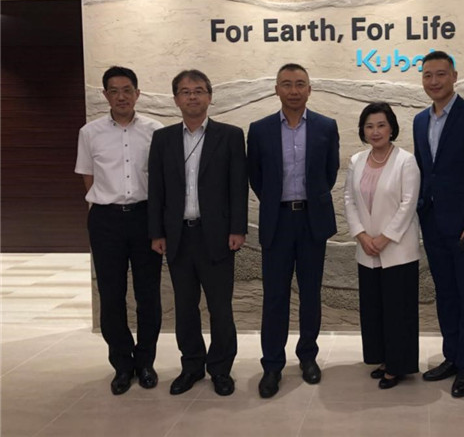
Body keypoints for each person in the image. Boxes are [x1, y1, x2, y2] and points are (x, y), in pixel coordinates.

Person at [147, 69, 247, 397]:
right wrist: (157, 232)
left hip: (216, 235)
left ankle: (220, 369)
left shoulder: (230, 135)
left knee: (221, 308)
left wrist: (238, 228)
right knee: (185, 307)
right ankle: (191, 366)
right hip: (178, 236)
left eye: (199, 90)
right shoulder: (163, 139)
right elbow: (157, 189)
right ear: (176, 99)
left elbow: (238, 186)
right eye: (186, 91)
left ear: (210, 96)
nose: (192, 96)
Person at [247, 63, 340, 399]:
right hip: (278, 221)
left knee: (311, 293)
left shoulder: (326, 127)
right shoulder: (259, 130)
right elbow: (256, 177)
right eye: (286, 84)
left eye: (300, 84)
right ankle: (272, 364)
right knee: (275, 296)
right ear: (276, 90)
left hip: (312, 220)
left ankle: (308, 357)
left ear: (309, 89)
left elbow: (329, 173)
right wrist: (278, 203)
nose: (294, 90)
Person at [75, 66, 163, 395]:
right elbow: (88, 178)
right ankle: (122, 364)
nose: (121, 96)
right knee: (111, 295)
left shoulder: (155, 131)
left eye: (127, 90)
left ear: (138, 93)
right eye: (114, 91)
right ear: (105, 95)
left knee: (148, 295)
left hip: (144, 218)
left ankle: (146, 361)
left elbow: (161, 180)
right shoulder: (90, 133)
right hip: (106, 220)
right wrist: (108, 206)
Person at [412, 50, 464, 398]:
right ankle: (452, 356)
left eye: (441, 74)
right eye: (428, 75)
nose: (434, 81)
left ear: (455, 76)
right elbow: (424, 170)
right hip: (433, 223)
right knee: (445, 293)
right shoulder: (419, 121)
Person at [344, 102, 421, 389]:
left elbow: (408, 203)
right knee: (374, 308)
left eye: (381, 125)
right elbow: (349, 200)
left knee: (398, 310)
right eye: (369, 126)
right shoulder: (356, 161)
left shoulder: (406, 161)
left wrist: (385, 238)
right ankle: (383, 359)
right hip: (366, 249)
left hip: (398, 249)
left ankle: (398, 366)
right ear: (363, 130)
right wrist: (361, 235)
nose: (375, 131)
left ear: (391, 129)